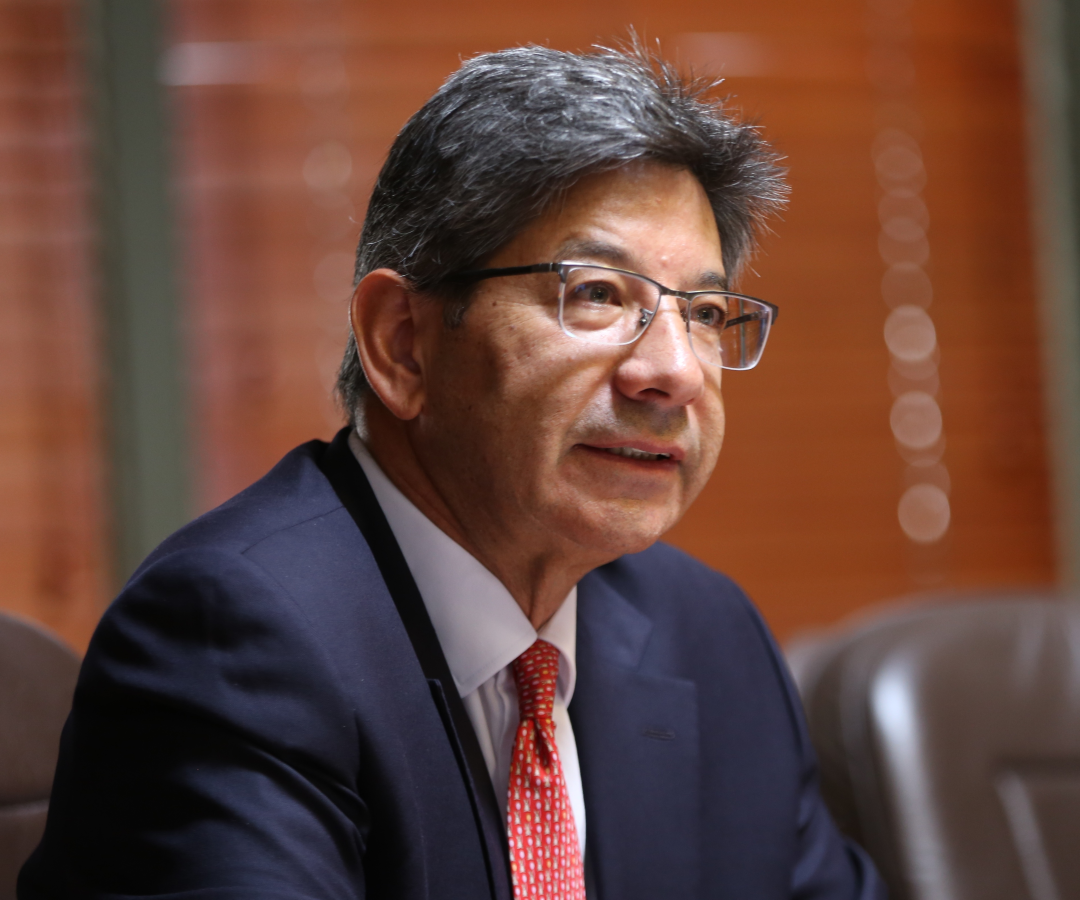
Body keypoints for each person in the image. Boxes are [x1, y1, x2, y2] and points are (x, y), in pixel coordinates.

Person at [20, 44, 884, 900]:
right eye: (596, 293)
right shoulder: (235, 637)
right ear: (402, 344)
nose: (676, 372)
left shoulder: (706, 633)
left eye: (703, 313)